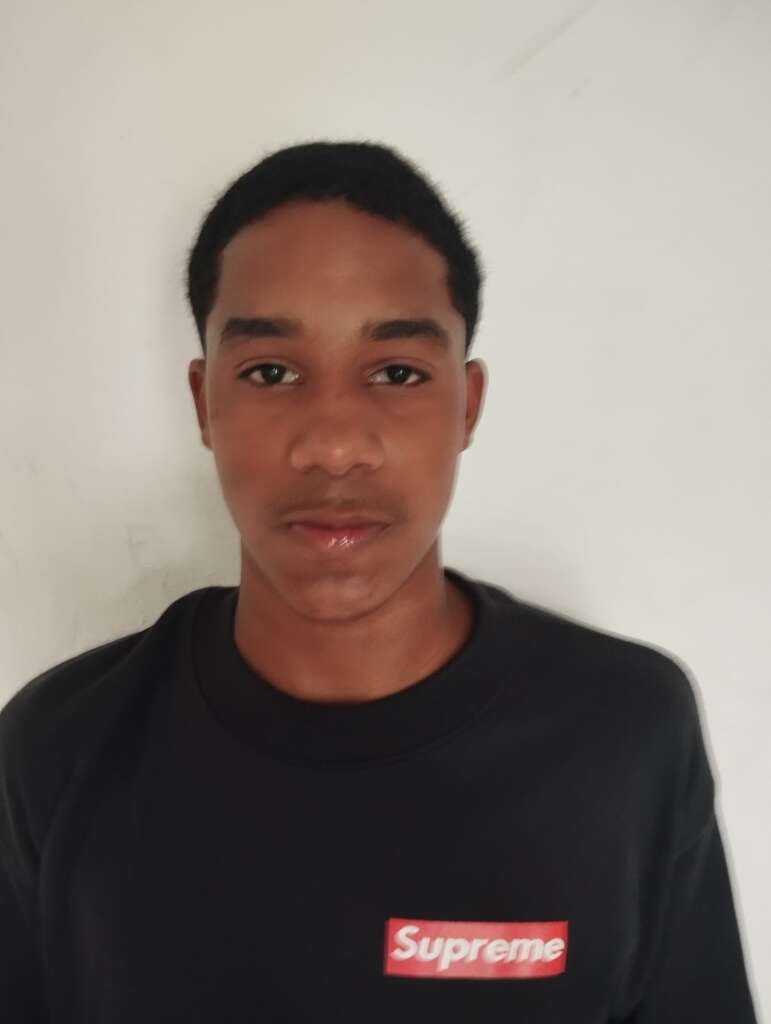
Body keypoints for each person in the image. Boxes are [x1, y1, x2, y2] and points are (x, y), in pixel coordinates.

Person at [0, 140, 757, 1022]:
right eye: (271, 372)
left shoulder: (623, 734)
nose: (333, 445)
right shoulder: (60, 747)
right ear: (205, 403)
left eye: (396, 373)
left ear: (467, 405)